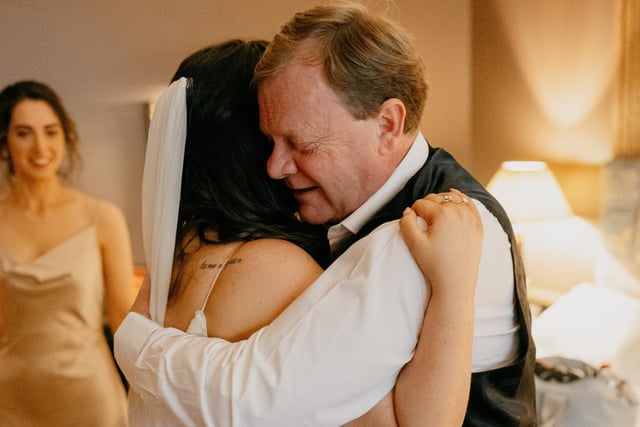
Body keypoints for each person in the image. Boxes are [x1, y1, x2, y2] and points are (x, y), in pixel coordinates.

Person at [116, 1, 536, 425]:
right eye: (269, 142)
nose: (275, 168)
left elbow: (261, 397)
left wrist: (136, 339)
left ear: (387, 125)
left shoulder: (424, 234)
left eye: (302, 144)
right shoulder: (330, 222)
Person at [0, 80, 134, 426]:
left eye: (51, 131)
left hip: (90, 397)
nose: (40, 146)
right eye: (24, 133)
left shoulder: (101, 218)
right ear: (5, 143)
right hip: (12, 399)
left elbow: (124, 322)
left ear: (65, 138)